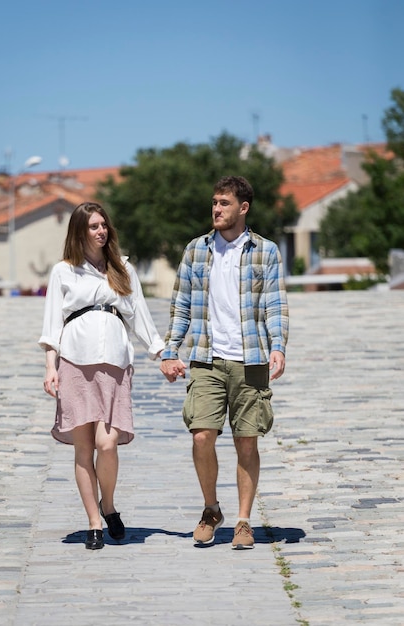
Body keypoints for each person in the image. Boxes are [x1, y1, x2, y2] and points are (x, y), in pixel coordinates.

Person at [160, 176, 289, 550]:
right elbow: (181, 305)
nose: (216, 209)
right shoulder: (196, 250)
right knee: (202, 435)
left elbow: (275, 305)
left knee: (247, 443)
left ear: (243, 208)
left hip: (250, 359)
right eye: (214, 202)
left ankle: (244, 521)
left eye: (224, 203)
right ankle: (210, 508)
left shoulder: (265, 252)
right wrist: (171, 350)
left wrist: (277, 345)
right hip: (206, 358)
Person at [39, 202, 164, 550]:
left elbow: (140, 315)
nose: (101, 231)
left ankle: (109, 505)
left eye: (103, 225)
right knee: (83, 449)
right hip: (74, 364)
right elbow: (52, 326)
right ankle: (94, 520)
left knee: (107, 445)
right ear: (80, 232)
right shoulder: (63, 271)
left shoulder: (122, 268)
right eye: (93, 226)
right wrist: (51, 367)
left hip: (114, 362)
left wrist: (160, 352)